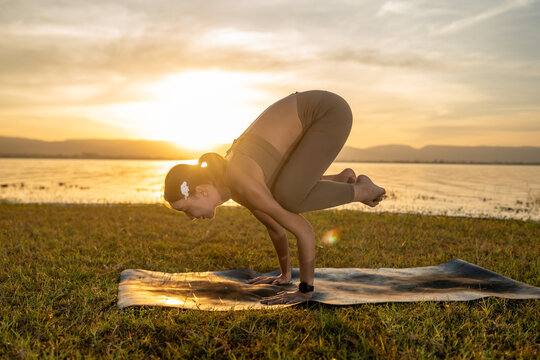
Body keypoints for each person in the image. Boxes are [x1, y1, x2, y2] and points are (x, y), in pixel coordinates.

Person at [164, 90, 386, 305]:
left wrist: (305, 290)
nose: (190, 218)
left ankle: (361, 190)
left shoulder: (241, 180)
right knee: (280, 195)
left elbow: (304, 230)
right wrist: (285, 274)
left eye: (185, 209)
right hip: (314, 116)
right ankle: (340, 180)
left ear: (202, 190)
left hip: (328, 113)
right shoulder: (234, 186)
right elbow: (275, 227)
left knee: (289, 199)